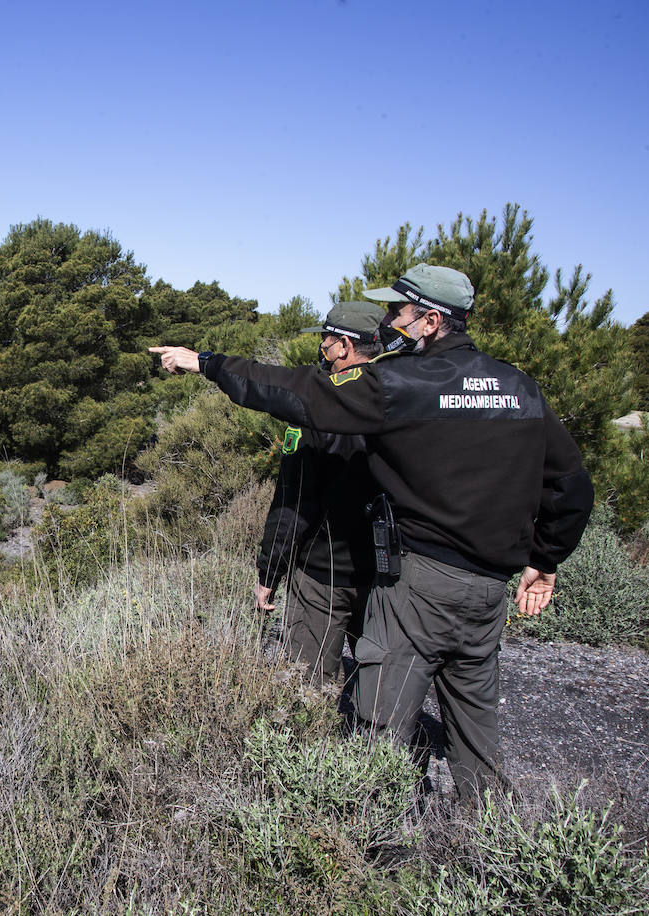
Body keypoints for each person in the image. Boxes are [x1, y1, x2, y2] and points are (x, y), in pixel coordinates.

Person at [150, 264, 594, 801]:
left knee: (377, 721)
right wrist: (544, 560)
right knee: (477, 735)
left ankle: (372, 851)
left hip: (419, 584)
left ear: (429, 321)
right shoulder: (519, 387)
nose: (389, 322)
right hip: (488, 593)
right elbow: (571, 486)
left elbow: (298, 391)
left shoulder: (402, 384)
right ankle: (495, 848)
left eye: (398, 312)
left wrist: (209, 364)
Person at [255, 301, 385, 688]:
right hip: (386, 570)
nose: (323, 351)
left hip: (322, 572)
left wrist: (269, 573)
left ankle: (311, 743)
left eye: (326, 342)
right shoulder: (400, 400)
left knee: (306, 684)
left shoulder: (315, 410)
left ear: (344, 346)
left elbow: (294, 502)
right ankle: (376, 747)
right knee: (380, 685)